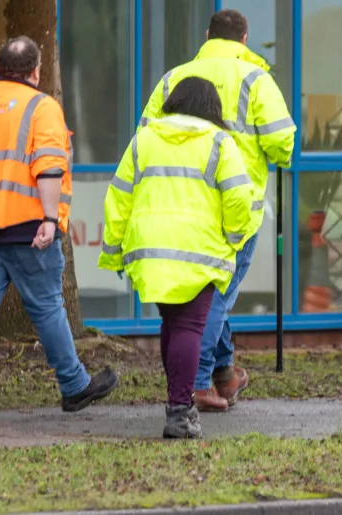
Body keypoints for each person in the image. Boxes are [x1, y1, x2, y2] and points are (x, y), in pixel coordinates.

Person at [0, 36, 119, 415]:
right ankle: (74, 385)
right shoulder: (42, 107)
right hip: (28, 227)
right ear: (35, 72)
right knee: (47, 307)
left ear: (0, 69)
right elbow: (48, 166)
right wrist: (47, 217)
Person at [139, 9, 296, 413]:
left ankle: (223, 373)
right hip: (234, 204)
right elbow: (282, 142)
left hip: (178, 203)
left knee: (211, 293)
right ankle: (198, 383)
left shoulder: (175, 77)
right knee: (218, 295)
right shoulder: (256, 79)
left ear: (207, 35)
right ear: (244, 39)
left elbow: (146, 132)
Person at [100, 77, 254, 439]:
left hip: (150, 249)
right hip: (198, 250)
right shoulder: (220, 142)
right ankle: (179, 411)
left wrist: (116, 247)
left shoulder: (145, 139)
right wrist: (232, 238)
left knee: (172, 324)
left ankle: (178, 403)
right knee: (188, 328)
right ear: (212, 109)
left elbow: (119, 195)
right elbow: (238, 199)